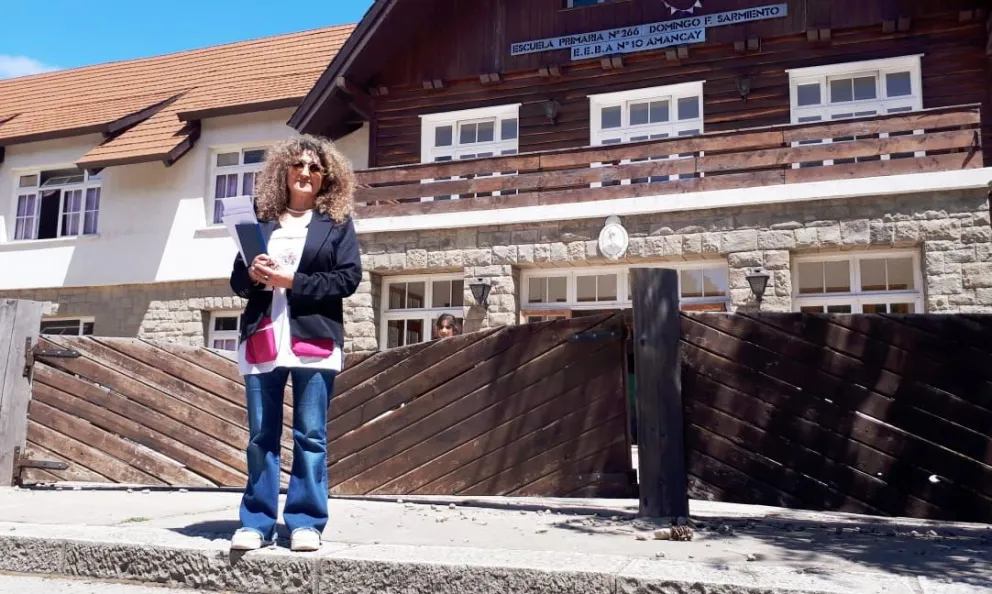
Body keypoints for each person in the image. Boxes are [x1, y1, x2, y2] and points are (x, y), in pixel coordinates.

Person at [228, 135, 361, 552]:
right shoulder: (259, 222)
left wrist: (293, 281)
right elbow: (237, 283)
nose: (305, 172)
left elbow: (348, 279)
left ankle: (305, 522)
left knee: (311, 436)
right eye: (298, 165)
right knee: (260, 437)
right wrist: (253, 274)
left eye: (315, 167)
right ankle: (256, 522)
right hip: (263, 337)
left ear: (326, 178)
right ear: (283, 171)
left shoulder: (337, 224)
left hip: (314, 338)